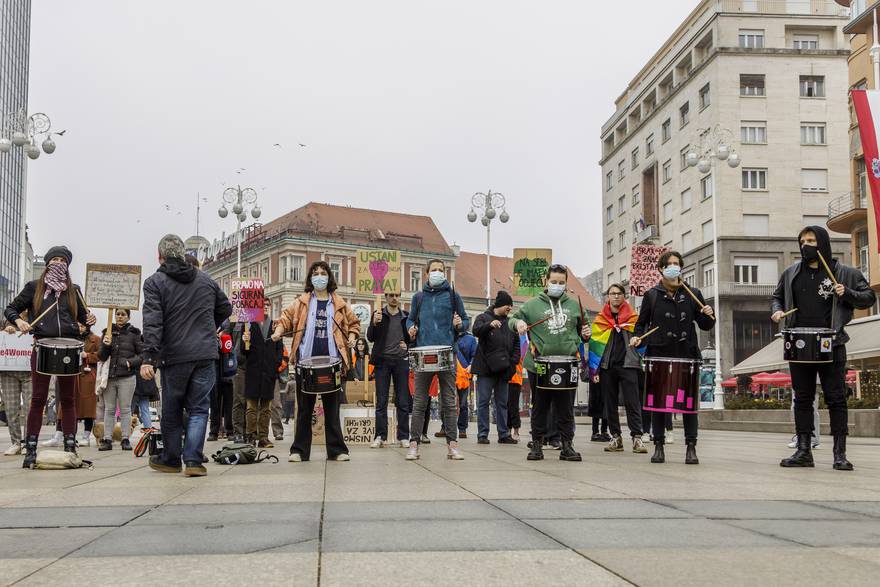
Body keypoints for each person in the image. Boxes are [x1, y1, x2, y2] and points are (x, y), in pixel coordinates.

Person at [773, 226, 876, 470]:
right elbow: (777, 296)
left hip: (833, 342)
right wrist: (777, 310)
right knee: (802, 399)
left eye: (811, 240)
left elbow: (869, 296)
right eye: (802, 241)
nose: (805, 245)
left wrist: (847, 292)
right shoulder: (791, 273)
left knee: (836, 399)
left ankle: (839, 454)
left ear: (822, 243)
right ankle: (804, 451)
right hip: (799, 342)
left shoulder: (844, 273)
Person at [141, 234, 232, 477]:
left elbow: (152, 322)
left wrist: (148, 357)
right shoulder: (205, 280)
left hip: (175, 355)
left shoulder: (154, 282)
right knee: (200, 408)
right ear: (182, 255)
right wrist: (209, 327)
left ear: (160, 256)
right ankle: (193, 460)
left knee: (172, 408)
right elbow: (226, 308)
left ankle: (171, 459)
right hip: (205, 353)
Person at [5, 246, 96, 467]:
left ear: (67, 265)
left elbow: (84, 319)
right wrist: (19, 321)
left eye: (62, 260)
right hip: (43, 346)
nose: (58, 263)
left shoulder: (73, 290)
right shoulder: (33, 288)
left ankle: (70, 445)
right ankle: (31, 447)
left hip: (69, 347)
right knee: (38, 398)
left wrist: (89, 320)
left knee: (68, 399)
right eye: (54, 259)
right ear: (46, 263)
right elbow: (10, 309)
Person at [272, 260, 360, 462]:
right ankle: (299, 451)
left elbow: (353, 324)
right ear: (311, 278)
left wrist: (353, 338)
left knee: (332, 408)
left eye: (323, 273)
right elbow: (285, 319)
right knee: (304, 409)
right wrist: (278, 332)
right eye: (316, 273)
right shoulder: (301, 302)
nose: (319, 276)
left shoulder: (339, 303)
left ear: (329, 277)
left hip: (333, 364)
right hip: (306, 363)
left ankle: (337, 450)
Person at [632, 251, 714, 465]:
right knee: (659, 404)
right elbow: (641, 325)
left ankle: (691, 447)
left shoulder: (692, 292)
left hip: (686, 354)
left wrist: (707, 313)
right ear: (660, 269)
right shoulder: (652, 295)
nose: (674, 267)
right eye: (669, 264)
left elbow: (705, 324)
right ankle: (658, 446)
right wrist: (637, 337)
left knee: (688, 405)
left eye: (677, 264)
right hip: (659, 354)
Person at [510, 264, 590, 462]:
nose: (557, 285)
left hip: (568, 363)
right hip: (540, 363)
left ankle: (567, 445)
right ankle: (537, 445)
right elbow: (513, 318)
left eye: (561, 283)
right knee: (540, 406)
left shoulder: (574, 305)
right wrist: (518, 324)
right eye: (554, 282)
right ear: (546, 281)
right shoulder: (532, 305)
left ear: (566, 283)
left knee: (565, 408)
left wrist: (586, 335)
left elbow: (585, 329)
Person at [405, 260, 470, 461]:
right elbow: (410, 319)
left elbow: (466, 321)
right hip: (424, 352)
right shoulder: (419, 297)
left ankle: (453, 445)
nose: (437, 273)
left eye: (441, 270)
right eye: (434, 270)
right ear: (426, 274)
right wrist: (410, 329)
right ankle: (414, 444)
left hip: (447, 352)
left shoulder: (452, 296)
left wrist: (460, 324)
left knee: (449, 402)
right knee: (419, 402)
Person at [589, 283, 647, 454]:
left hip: (629, 364)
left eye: (619, 293)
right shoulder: (600, 319)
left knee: (633, 402)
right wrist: (595, 370)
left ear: (624, 296)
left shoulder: (633, 318)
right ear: (608, 296)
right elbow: (595, 344)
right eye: (612, 293)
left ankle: (637, 437)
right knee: (610, 403)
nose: (615, 296)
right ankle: (616, 437)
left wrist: (639, 340)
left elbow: (643, 340)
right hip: (607, 366)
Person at [472, 291, 520, 444]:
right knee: (483, 402)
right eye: (508, 305)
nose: (510, 308)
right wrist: (489, 325)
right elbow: (476, 330)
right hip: (485, 369)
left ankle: (503, 434)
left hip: (504, 369)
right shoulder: (483, 317)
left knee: (502, 403)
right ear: (500, 304)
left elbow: (517, 345)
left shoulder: (510, 323)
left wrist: (512, 364)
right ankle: (483, 434)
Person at [367, 291, 412, 448]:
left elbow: (412, 339)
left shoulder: (406, 317)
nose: (395, 298)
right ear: (385, 297)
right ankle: (380, 436)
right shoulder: (379, 314)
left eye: (397, 295)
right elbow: (370, 337)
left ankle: (404, 436)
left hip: (401, 361)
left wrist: (408, 346)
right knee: (381, 400)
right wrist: (374, 323)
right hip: (382, 361)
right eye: (391, 295)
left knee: (403, 401)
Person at [97, 309, 143, 451]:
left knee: (125, 409)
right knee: (109, 409)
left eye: (123, 314)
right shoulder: (108, 332)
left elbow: (142, 355)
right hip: (110, 377)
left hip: (127, 377)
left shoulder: (134, 334)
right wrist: (106, 345)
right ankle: (107, 439)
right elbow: (101, 356)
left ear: (128, 317)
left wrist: (130, 362)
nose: (120, 317)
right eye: (118, 314)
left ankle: (125, 438)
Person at [242, 296, 284, 447]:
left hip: (268, 372)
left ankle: (263, 437)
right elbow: (242, 352)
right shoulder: (248, 325)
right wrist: (244, 340)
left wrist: (276, 364)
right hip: (253, 371)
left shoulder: (274, 325)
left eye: (267, 305)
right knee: (252, 407)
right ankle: (250, 435)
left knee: (266, 407)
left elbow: (280, 348)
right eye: (262, 305)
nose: (265, 307)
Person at [434, 331, 477, 440]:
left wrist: (471, 365)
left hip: (464, 375)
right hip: (447, 374)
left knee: (463, 404)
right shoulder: (446, 335)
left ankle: (462, 429)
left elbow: (475, 355)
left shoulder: (470, 339)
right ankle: (445, 427)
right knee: (445, 403)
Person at [1, 317, 33, 456]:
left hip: (30, 371)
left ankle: (28, 442)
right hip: (8, 372)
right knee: (11, 408)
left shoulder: (34, 315)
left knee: (30, 408)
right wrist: (4, 331)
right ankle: (15, 442)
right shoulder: (5, 319)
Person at [506, 333, 528, 442]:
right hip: (506, 379)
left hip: (515, 379)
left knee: (513, 406)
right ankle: (508, 430)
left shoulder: (521, 344)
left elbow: (521, 358)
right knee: (506, 406)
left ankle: (515, 431)